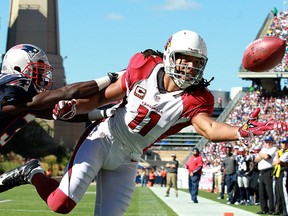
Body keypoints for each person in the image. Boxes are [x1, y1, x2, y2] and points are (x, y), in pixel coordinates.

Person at [0, 30, 272, 215]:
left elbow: (209, 128)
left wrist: (239, 131)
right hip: (103, 138)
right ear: (169, 55)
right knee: (61, 204)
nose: (189, 68)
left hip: (129, 158)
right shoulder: (144, 67)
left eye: (195, 63)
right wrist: (72, 108)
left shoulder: (196, 98)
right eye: (184, 60)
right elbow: (100, 99)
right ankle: (32, 172)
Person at [0, 44, 120, 148]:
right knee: (30, 171)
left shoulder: (22, 104)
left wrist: (105, 113)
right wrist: (111, 78)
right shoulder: (13, 84)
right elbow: (67, 92)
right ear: (17, 67)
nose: (42, 77)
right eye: (39, 70)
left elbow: (61, 115)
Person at [255, 135, 277, 215]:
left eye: (268, 142)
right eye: (266, 142)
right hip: (261, 171)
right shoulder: (263, 149)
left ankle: (271, 209)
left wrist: (260, 154)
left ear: (272, 142)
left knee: (269, 191)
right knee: (261, 192)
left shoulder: (273, 149)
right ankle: (264, 208)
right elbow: (256, 160)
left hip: (268, 170)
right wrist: (262, 155)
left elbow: (267, 157)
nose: (267, 143)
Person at [273, 137, 288, 216]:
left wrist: (277, 156)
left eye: (285, 143)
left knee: (284, 193)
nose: (284, 144)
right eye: (283, 143)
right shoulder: (280, 151)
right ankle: (279, 209)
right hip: (278, 173)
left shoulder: (286, 152)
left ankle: (286, 211)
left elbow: (278, 161)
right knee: (278, 193)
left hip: (284, 172)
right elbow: (273, 163)